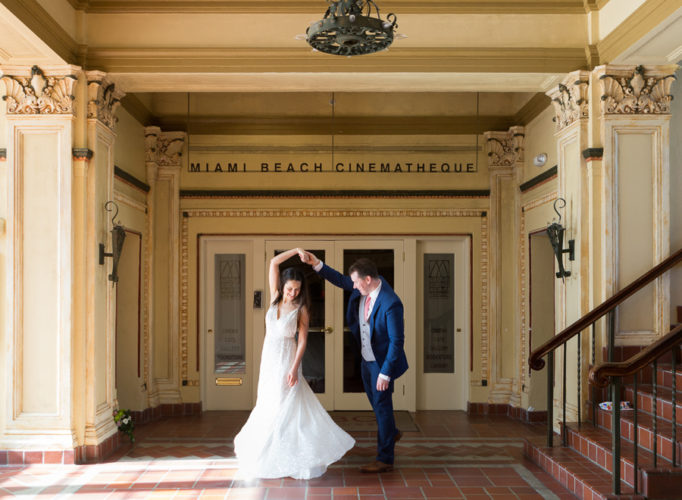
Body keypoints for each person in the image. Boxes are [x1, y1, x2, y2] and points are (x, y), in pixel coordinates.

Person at [233, 248, 355, 480]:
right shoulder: (274, 297)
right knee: (268, 403)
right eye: (289, 288)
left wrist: (293, 368)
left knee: (285, 405)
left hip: (287, 359)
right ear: (283, 286)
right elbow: (273, 263)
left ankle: (291, 454)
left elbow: (302, 341)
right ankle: (267, 452)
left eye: (297, 290)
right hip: (269, 357)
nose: (292, 293)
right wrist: (295, 251)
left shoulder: (302, 309)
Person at [299, 251, 408, 473]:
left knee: (382, 406)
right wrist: (316, 264)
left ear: (368, 279)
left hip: (381, 364)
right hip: (366, 360)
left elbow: (397, 341)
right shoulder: (363, 286)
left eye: (357, 283)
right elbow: (340, 279)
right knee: (378, 406)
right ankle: (391, 431)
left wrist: (385, 373)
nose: (354, 287)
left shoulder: (390, 303)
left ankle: (385, 458)